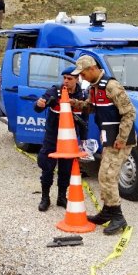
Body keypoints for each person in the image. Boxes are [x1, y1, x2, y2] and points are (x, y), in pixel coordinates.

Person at [70, 55, 136, 235]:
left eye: (82, 74)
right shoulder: (94, 87)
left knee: (108, 176)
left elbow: (129, 113)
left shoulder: (111, 86)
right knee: (103, 175)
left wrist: (122, 138)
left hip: (119, 139)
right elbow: (91, 107)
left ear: (92, 69)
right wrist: (74, 103)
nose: (81, 78)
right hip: (109, 137)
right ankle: (108, 211)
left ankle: (118, 217)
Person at [34, 67, 88, 211]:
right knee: (47, 167)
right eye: (64, 78)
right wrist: (39, 104)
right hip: (52, 136)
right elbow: (39, 106)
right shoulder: (55, 91)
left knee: (66, 169)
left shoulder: (82, 95)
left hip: (69, 139)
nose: (66, 81)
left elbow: (85, 119)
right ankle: (45, 197)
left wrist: (83, 140)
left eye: (69, 78)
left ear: (77, 79)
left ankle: (61, 197)